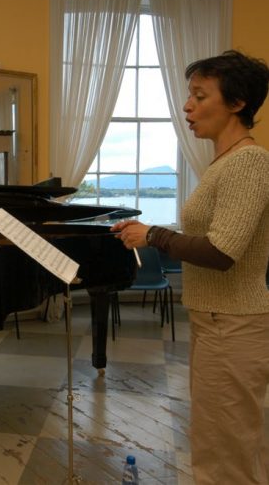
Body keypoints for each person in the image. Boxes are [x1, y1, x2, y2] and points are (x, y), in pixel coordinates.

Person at [111, 50, 269, 484]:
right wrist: (152, 231)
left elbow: (222, 252)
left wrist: (154, 236)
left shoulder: (249, 162)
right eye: (189, 96)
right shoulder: (225, 162)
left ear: (237, 103)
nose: (187, 106)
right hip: (217, 320)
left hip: (233, 324)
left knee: (227, 454)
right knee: (219, 442)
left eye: (200, 96)